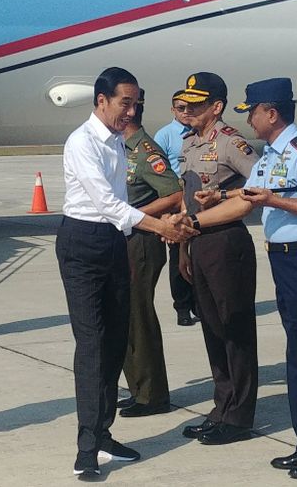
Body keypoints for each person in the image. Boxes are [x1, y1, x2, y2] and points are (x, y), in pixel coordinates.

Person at [187, 77, 297, 479]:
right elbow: (248, 197)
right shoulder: (271, 154)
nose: (250, 120)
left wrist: (274, 201)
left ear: (271, 113)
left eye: (252, 112)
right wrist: (209, 205)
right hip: (286, 261)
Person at [55, 67, 196, 479]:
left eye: (136, 104)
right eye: (124, 103)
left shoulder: (120, 142)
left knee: (117, 340)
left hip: (114, 243)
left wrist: (161, 225)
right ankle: (86, 449)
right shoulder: (82, 143)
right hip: (82, 243)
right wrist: (162, 226)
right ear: (101, 101)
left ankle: (103, 434)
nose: (131, 111)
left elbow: (123, 207)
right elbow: (107, 203)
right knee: (92, 345)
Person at [175, 72, 258, 446]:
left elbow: (259, 187)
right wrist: (182, 247)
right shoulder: (191, 142)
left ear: (216, 107)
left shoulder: (231, 144)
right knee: (212, 327)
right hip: (198, 241)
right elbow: (185, 195)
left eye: (197, 103)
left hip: (227, 243)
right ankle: (221, 405)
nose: (189, 109)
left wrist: (224, 199)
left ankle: (239, 415)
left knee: (235, 329)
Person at [119, 88, 183, 418]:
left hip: (142, 241)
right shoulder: (119, 148)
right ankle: (139, 388)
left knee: (138, 316)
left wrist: (139, 213)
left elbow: (173, 193)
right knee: (126, 316)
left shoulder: (145, 152)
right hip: (124, 239)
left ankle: (152, 395)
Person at [154, 91, 197, 326]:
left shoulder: (201, 131)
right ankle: (182, 306)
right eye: (181, 108)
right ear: (173, 110)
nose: (186, 112)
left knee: (198, 254)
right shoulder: (165, 135)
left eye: (190, 107)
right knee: (177, 258)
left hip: (197, 200)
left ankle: (198, 303)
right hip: (175, 201)